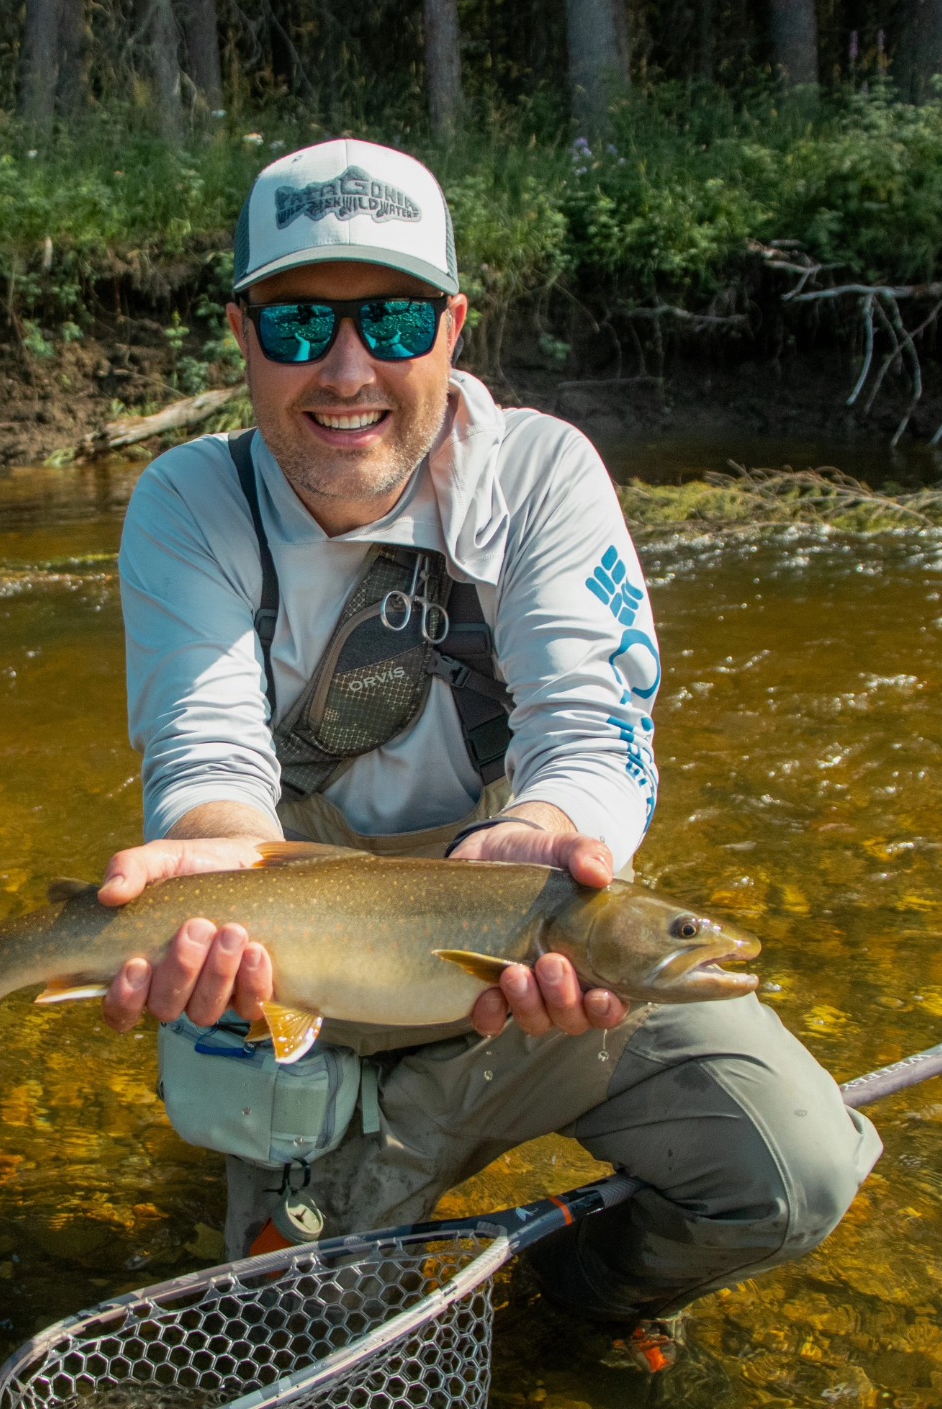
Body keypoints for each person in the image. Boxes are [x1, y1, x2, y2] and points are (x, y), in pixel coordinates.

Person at [96, 138, 881, 1353]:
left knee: (795, 1172)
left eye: (396, 320)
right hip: (307, 973)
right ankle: (346, 1177)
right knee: (304, 1330)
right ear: (242, 333)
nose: (349, 370)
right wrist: (215, 892)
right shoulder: (189, 504)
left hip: (535, 967)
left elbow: (591, 724)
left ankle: (574, 1303)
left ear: (454, 327)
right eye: (301, 326)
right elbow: (208, 761)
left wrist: (541, 837)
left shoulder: (542, 473)